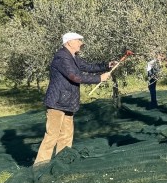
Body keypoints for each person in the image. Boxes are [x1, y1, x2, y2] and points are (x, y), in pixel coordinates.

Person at [33, 32, 112, 166]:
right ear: (69, 42)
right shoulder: (61, 58)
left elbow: (87, 67)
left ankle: (62, 164)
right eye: (78, 41)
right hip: (57, 103)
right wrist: (99, 78)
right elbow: (75, 76)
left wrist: (106, 65)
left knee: (66, 136)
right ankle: (39, 167)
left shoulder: (72, 57)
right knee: (52, 136)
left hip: (68, 103)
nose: (81, 44)